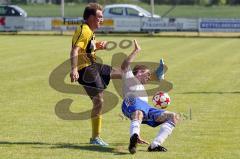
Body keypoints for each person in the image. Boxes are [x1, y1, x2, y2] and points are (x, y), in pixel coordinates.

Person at [69, 3, 121, 146]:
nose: (102, 20)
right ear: (91, 17)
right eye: (99, 17)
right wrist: (73, 69)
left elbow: (86, 49)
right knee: (99, 101)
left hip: (91, 65)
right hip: (85, 69)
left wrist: (97, 46)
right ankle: (95, 138)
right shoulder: (85, 31)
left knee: (120, 72)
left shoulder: (89, 31)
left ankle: (153, 76)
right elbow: (75, 51)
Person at [121, 40, 180, 154]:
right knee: (138, 111)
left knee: (173, 117)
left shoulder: (142, 89)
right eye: (147, 74)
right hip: (131, 100)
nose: (149, 77)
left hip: (145, 108)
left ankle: (155, 145)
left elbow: (139, 114)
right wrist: (136, 51)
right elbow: (124, 66)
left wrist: (136, 132)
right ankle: (133, 138)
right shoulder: (130, 79)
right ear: (139, 73)